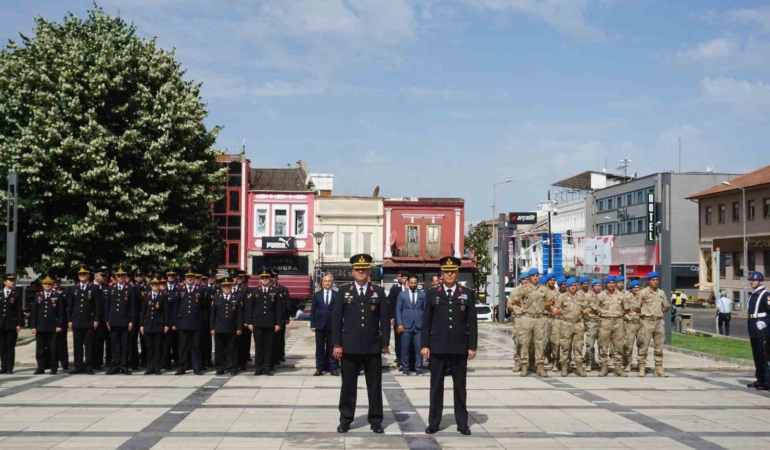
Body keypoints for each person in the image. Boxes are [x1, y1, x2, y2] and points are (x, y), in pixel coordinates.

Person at [332, 254, 390, 434]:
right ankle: (346, 419)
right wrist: (337, 344)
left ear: (368, 271)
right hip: (349, 347)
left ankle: (375, 420)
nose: (361, 271)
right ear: (353, 271)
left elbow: (385, 320)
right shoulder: (343, 291)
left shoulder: (378, 292)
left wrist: (385, 343)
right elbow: (336, 320)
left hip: (372, 346)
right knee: (348, 385)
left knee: (374, 386)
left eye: (364, 269)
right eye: (358, 269)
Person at [422, 256, 478, 435]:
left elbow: (472, 322)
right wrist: (425, 345)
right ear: (442, 273)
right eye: (446, 272)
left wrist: (472, 347)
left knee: (460, 387)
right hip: (437, 346)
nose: (449, 275)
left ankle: (462, 423)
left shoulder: (466, 293)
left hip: (459, 346)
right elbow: (426, 322)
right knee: (436, 387)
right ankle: (434, 422)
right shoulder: (432, 293)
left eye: (452, 272)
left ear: (457, 273)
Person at [512, 268, 549, 377]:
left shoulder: (543, 289)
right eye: (533, 276)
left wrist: (543, 306)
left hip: (539, 318)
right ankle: (524, 366)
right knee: (525, 343)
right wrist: (524, 307)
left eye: (537, 275)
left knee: (540, 343)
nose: (535, 277)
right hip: (527, 318)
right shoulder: (524, 289)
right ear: (530, 277)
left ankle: (540, 367)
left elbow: (550, 300)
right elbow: (515, 300)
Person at [248, 268, 282, 376]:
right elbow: (250, 308)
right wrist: (249, 323)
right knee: (259, 347)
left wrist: (278, 323)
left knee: (268, 346)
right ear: (260, 279)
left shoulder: (275, 291)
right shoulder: (255, 291)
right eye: (262, 278)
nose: (265, 279)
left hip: (270, 323)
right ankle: (258, 367)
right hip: (257, 323)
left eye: (266, 277)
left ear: (270, 278)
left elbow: (278, 309)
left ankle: (267, 367)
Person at [69, 267, 102, 375]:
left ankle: (89, 366)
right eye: (80, 274)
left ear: (88, 275)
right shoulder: (73, 288)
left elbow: (98, 306)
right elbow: (70, 306)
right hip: (77, 320)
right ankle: (78, 366)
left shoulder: (94, 288)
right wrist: (69, 320)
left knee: (89, 345)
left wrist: (96, 319)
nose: (82, 275)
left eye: (84, 274)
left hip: (89, 321)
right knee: (77, 345)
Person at [637, 272, 671, 377]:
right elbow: (636, 307)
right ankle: (641, 367)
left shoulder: (661, 293)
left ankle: (658, 368)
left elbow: (666, 306)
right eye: (653, 280)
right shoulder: (642, 293)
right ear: (648, 281)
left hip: (659, 321)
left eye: (657, 279)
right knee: (644, 345)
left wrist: (658, 312)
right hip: (646, 321)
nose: (655, 281)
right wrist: (645, 313)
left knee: (659, 346)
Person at [30, 275, 65, 375]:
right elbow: (34, 313)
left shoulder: (57, 296)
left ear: (53, 284)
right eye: (45, 284)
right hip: (40, 326)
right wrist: (33, 326)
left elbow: (61, 313)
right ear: (42, 285)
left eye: (49, 284)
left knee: (53, 348)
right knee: (40, 349)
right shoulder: (38, 295)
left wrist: (59, 325)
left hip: (53, 326)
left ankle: (53, 367)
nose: (47, 285)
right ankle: (41, 367)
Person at [104, 267, 136, 375]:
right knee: (114, 344)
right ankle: (116, 364)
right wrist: (107, 320)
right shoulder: (111, 288)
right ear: (116, 277)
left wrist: (131, 320)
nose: (120, 277)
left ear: (126, 277)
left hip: (125, 320)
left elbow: (133, 307)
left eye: (122, 275)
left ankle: (124, 365)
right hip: (113, 320)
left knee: (125, 344)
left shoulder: (130, 289)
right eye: (118, 276)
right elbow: (107, 306)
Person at [210, 277, 243, 376]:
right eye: (224, 286)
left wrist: (239, 328)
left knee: (232, 349)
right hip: (219, 328)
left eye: (228, 286)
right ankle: (220, 367)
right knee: (219, 349)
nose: (226, 288)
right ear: (221, 287)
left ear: (231, 286)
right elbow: (212, 314)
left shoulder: (237, 297)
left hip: (232, 327)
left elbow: (240, 314)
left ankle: (232, 367)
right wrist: (212, 328)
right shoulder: (217, 297)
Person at [595, 276, 626, 377]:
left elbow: (627, 308)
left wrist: (621, 314)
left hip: (618, 321)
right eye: (609, 283)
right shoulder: (600, 296)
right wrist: (601, 312)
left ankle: (618, 367)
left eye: (613, 282)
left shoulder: (621, 295)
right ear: (606, 284)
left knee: (619, 345)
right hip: (605, 321)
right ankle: (604, 367)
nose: (612, 284)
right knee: (603, 345)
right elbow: (595, 307)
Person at [175, 269, 204, 375]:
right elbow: (176, 307)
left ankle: (196, 367)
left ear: (195, 278)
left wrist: (201, 320)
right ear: (185, 278)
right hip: (183, 322)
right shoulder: (179, 289)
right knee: (183, 346)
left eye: (192, 277)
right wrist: (176, 322)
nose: (190, 279)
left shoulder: (199, 290)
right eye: (188, 277)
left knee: (196, 346)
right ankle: (182, 367)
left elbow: (203, 307)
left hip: (196, 322)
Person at [397, 274, 426, 376]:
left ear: (417, 283)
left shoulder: (423, 294)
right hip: (406, 325)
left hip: (419, 325)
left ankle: (419, 369)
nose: (413, 285)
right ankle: (405, 369)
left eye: (415, 283)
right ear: (408, 283)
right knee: (405, 348)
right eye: (411, 283)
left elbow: (425, 310)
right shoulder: (402, 294)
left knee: (419, 348)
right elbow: (398, 310)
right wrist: (399, 323)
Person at [140, 276, 169, 375]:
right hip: (148, 325)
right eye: (153, 284)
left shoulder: (162, 296)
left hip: (158, 325)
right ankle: (149, 367)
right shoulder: (146, 296)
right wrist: (141, 325)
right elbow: (143, 311)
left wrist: (166, 325)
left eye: (157, 284)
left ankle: (157, 367)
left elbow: (166, 312)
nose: (155, 286)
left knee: (158, 348)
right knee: (149, 348)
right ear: (150, 285)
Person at [310, 273, 338, 376]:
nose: (327, 283)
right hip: (320, 325)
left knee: (332, 347)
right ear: (322, 283)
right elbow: (313, 311)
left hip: (332, 325)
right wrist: (312, 324)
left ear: (332, 282)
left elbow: (339, 311)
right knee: (320, 347)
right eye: (325, 281)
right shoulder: (317, 295)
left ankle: (333, 368)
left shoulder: (337, 295)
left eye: (329, 281)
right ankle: (319, 368)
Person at [746, 272, 770, 390]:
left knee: (764, 355)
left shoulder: (765, 295)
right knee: (756, 355)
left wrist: (766, 322)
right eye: (751, 280)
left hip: (762, 329)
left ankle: (767, 381)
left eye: (754, 280)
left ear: (761, 281)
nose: (751, 282)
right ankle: (759, 379)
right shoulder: (753, 295)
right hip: (753, 327)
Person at [507, 270, 530, 373]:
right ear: (521, 280)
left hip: (530, 319)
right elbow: (509, 304)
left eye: (528, 279)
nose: (526, 281)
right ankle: (517, 362)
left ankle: (531, 363)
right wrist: (516, 309)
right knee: (518, 341)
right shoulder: (515, 291)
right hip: (519, 319)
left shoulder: (533, 291)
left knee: (530, 342)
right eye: (524, 279)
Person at [622, 280, 644, 373]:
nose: (636, 289)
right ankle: (628, 363)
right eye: (634, 287)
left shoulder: (643, 297)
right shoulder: (626, 297)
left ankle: (641, 364)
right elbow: (623, 309)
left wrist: (639, 310)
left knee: (642, 344)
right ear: (631, 288)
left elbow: (647, 308)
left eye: (638, 287)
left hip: (640, 322)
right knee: (628, 345)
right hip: (629, 323)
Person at [387, 271, 406, 369]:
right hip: (397, 317)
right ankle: (399, 357)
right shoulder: (395, 289)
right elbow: (391, 303)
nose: (404, 280)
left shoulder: (410, 289)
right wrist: (391, 317)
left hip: (407, 317)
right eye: (403, 277)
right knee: (398, 339)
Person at [53, 273, 71, 371]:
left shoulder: (65, 291)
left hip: (61, 320)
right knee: (52, 344)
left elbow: (68, 306)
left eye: (58, 281)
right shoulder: (47, 291)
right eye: (54, 282)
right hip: (50, 321)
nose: (56, 283)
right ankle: (52, 363)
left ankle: (64, 363)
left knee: (62, 343)